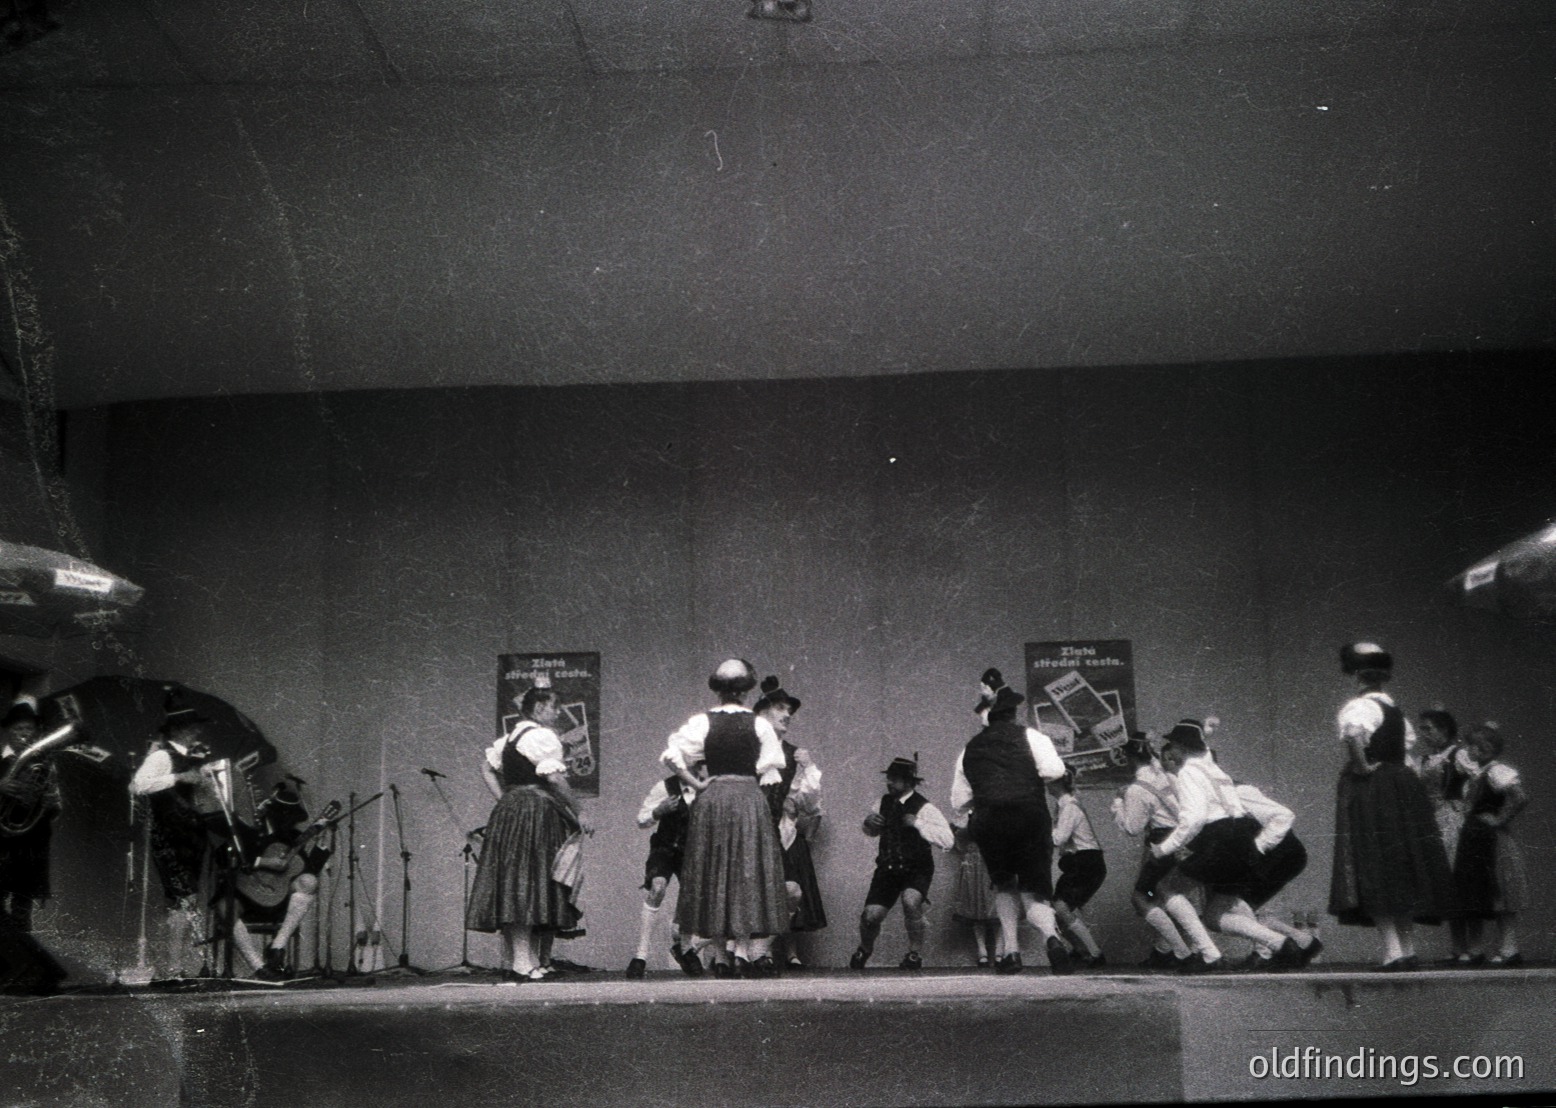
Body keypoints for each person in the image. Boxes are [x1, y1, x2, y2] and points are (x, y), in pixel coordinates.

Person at [1327, 642, 1453, 971]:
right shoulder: (1396, 712)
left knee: (1375, 862)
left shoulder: (1360, 707)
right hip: (1400, 785)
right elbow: (1405, 750)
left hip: (1375, 788)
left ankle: (1393, 951)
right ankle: (1405, 948)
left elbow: (1355, 737)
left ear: (1357, 676)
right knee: (1399, 863)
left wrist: (1363, 768)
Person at [662, 658, 788, 978]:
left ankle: (720, 956)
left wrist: (697, 783)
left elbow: (672, 756)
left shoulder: (700, 722)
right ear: (747, 691)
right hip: (747, 798)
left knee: (716, 871)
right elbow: (772, 772)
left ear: (717, 690)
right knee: (744, 873)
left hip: (714, 798)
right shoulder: (760, 725)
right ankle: (740, 951)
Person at [466, 683, 590, 981]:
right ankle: (522, 962)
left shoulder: (509, 738)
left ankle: (526, 959)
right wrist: (580, 811)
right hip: (533, 812)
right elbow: (557, 780)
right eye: (554, 707)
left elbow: (486, 768)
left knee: (519, 880)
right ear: (538, 709)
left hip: (513, 810)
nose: (558, 712)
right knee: (528, 881)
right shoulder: (542, 736)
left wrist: (505, 797)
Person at [950, 684, 1073, 975]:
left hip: (990, 821)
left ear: (988, 715)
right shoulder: (1032, 737)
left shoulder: (970, 748)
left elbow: (958, 801)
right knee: (1033, 889)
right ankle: (1052, 937)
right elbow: (1055, 771)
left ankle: (1011, 953)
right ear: (1014, 713)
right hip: (1030, 816)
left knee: (1004, 884)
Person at [130, 695, 221, 978]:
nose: (197, 731)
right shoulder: (161, 755)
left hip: (193, 834)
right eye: (192, 726)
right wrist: (178, 778)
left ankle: (177, 967)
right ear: (180, 728)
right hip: (169, 833)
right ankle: (173, 969)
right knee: (181, 898)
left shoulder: (196, 756)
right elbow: (138, 786)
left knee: (188, 898)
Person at [850, 755, 955, 971]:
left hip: (917, 868)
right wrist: (868, 824)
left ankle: (914, 953)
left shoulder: (925, 808)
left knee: (910, 902)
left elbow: (948, 840)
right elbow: (871, 831)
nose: (889, 782)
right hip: (887, 868)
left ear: (908, 782)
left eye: (894, 779)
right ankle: (865, 948)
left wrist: (918, 823)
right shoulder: (882, 802)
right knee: (871, 916)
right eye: (889, 778)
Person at [220, 783, 332, 980]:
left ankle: (277, 946)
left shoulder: (296, 837)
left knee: (309, 881)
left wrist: (321, 844)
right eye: (281, 813)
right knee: (224, 906)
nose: (285, 819)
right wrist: (265, 861)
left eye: (290, 815)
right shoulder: (252, 831)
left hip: (278, 899)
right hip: (246, 895)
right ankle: (259, 967)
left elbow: (309, 869)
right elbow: (223, 855)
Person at [754, 676, 826, 970]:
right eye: (780, 708)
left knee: (790, 891)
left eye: (789, 711)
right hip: (747, 833)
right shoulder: (747, 747)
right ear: (763, 713)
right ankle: (711, 949)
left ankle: (757, 950)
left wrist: (807, 767)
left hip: (775, 834)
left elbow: (810, 803)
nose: (787, 715)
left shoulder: (795, 756)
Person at [1111, 733, 1194, 969]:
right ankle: (1163, 951)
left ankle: (1182, 952)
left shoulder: (1135, 789)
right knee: (1165, 895)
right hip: (1184, 839)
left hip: (1161, 841)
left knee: (1141, 898)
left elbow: (1132, 829)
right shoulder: (1166, 776)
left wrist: (1118, 803)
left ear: (1128, 758)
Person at [1450, 722, 1529, 967]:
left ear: (1482, 748)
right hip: (1474, 838)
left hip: (1492, 840)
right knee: (1476, 891)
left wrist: (1500, 819)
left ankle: (1509, 948)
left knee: (1501, 892)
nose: (1467, 750)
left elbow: (1520, 797)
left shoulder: (1497, 772)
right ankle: (1475, 949)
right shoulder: (1478, 773)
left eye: (1471, 745)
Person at [626, 767, 697, 978]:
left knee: (692, 895)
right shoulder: (665, 787)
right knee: (658, 887)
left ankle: (685, 947)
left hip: (692, 851)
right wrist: (658, 811)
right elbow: (641, 819)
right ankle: (641, 955)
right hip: (664, 848)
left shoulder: (708, 788)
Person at [0, 696, 63, 934]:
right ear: (8, 731)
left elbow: (56, 809)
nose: (24, 733)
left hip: (30, 844)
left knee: (22, 908)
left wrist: (51, 804)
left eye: (29, 728)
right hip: (2, 845)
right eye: (19, 729)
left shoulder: (44, 764)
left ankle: (22, 962)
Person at [1047, 767, 1107, 967]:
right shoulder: (1064, 806)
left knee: (1060, 908)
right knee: (1057, 913)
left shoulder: (1070, 807)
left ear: (1056, 783)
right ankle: (1081, 951)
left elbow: (1059, 838)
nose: (1046, 784)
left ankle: (1095, 953)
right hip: (1082, 862)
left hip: (1086, 862)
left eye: (1049, 780)